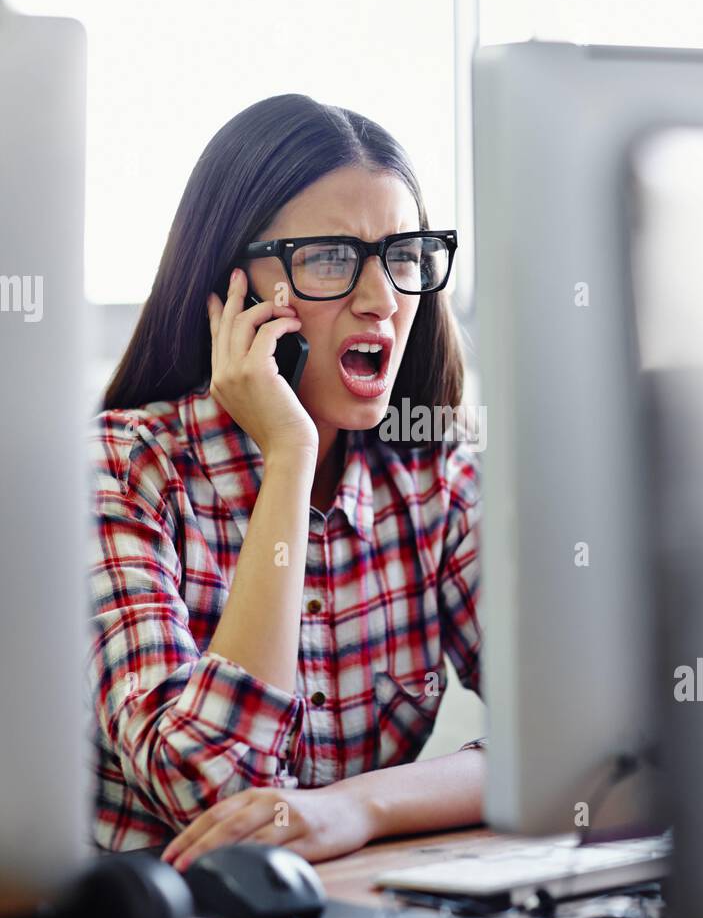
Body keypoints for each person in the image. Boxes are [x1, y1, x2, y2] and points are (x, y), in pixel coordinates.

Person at [87, 94, 484, 870]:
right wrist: (290, 460)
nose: (381, 300)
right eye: (330, 257)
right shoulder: (123, 471)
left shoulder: (434, 471)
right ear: (232, 288)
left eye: (403, 254)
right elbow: (216, 794)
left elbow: (590, 750)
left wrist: (357, 807)